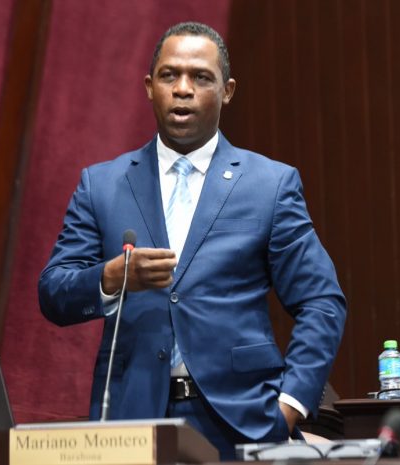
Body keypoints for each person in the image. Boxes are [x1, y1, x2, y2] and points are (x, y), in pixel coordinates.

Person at [38, 21, 346, 459]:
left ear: (227, 91)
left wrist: (290, 406)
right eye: (169, 75)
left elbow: (322, 302)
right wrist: (110, 278)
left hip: (242, 422)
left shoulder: (270, 185)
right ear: (149, 87)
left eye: (201, 77)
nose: (183, 89)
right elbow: (53, 292)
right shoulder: (101, 185)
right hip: (132, 421)